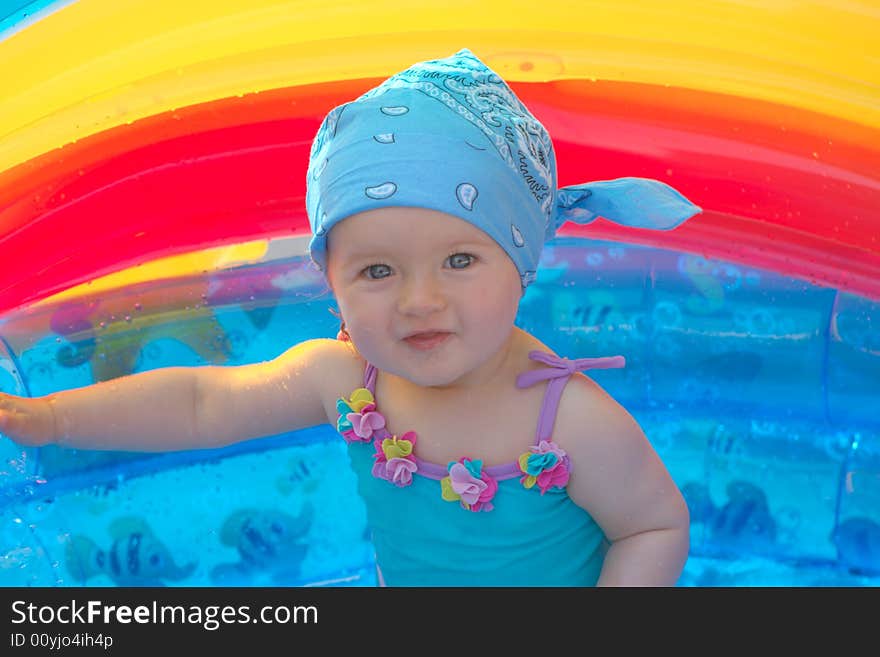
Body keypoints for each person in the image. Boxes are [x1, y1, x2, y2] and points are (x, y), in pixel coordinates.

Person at [0, 48, 700, 586]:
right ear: (330, 286)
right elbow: (201, 402)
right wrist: (51, 419)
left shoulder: (570, 419)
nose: (419, 299)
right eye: (376, 271)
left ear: (521, 263)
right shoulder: (346, 378)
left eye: (459, 260)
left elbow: (655, 525)